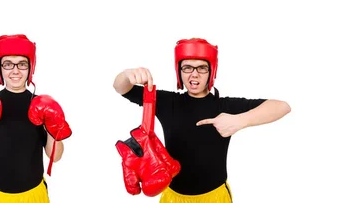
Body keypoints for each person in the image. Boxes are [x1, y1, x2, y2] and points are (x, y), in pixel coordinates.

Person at [113, 38, 291, 203]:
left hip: (215, 196)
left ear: (211, 71)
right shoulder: (167, 102)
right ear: (179, 71)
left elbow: (282, 106)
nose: (194, 74)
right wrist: (127, 74)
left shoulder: (225, 106)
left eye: (201, 68)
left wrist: (239, 121)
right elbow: (120, 87)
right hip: (174, 198)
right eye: (187, 67)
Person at [0, 34, 72, 202]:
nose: (15, 70)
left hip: (32, 194)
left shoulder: (42, 106)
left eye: (22, 64)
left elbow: (55, 157)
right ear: (0, 67)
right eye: (8, 64)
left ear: (30, 67)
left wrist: (53, 126)